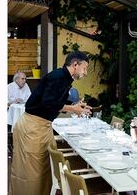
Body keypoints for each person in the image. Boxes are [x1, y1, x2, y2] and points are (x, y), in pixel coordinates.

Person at [10, 51, 92, 195]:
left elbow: (55, 100)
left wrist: (75, 105)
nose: (85, 73)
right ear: (75, 65)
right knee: (31, 174)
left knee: (43, 171)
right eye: (84, 68)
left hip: (42, 127)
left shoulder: (64, 78)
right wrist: (72, 108)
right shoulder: (58, 77)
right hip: (32, 127)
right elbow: (48, 103)